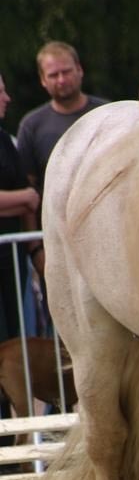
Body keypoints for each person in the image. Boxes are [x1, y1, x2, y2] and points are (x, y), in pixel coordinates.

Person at [16, 41, 108, 278]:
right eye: (53, 74)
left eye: (66, 71)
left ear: (79, 69)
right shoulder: (31, 126)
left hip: (106, 235)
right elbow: (29, 190)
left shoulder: (107, 114)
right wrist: (36, 249)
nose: (61, 80)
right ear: (42, 80)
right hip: (57, 244)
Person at [0, 72, 40, 442]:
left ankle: (18, 435)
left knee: (14, 344)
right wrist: (25, 200)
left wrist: (34, 251)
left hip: (10, 259)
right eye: (1, 91)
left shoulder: (5, 141)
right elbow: (26, 195)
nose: (8, 98)